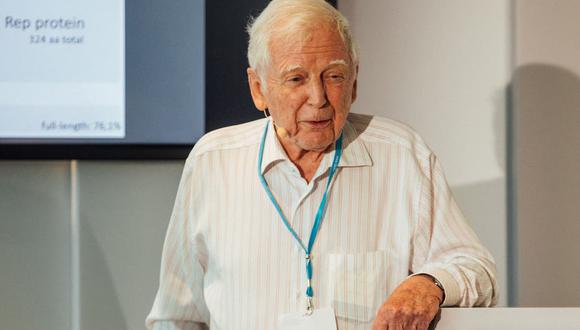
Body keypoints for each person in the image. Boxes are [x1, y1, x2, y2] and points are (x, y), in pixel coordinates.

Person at [146, 0, 498, 329]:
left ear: (354, 82)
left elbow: (476, 268)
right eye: (296, 79)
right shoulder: (213, 162)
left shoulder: (403, 156)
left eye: (333, 76)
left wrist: (427, 284)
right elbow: (176, 317)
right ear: (258, 89)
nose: (318, 98)